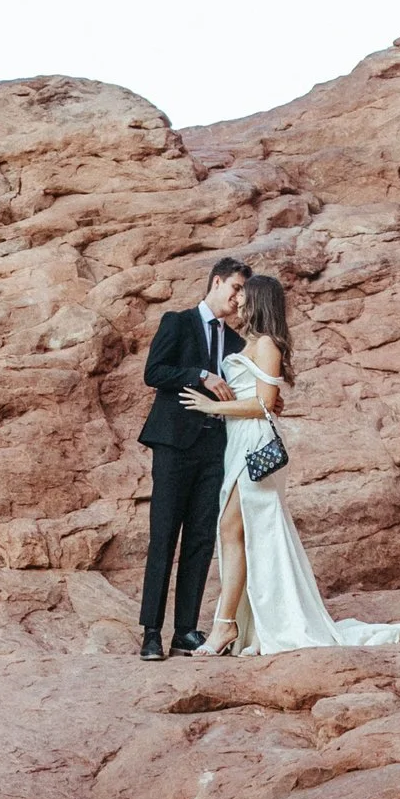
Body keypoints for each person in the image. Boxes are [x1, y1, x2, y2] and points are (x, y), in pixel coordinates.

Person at [184, 269, 400, 658]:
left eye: (244, 296)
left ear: (259, 301)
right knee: (236, 531)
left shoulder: (267, 344)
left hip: (256, 445)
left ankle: (225, 626)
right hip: (238, 441)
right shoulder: (250, 341)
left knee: (238, 528)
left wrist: (212, 405)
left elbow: (264, 403)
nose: (238, 301)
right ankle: (233, 624)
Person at [137, 259, 248, 659]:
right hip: (173, 445)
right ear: (216, 282)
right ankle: (151, 631)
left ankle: (185, 630)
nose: (238, 299)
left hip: (215, 448)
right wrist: (200, 375)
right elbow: (155, 372)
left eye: (242, 293)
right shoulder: (177, 322)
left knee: (201, 539)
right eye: (234, 289)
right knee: (164, 535)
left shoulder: (237, 343)